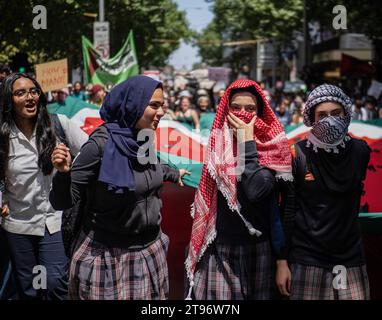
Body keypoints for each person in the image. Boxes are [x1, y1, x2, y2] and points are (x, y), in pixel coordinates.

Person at [49, 75, 190, 300]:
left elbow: (150, 168)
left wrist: (174, 173)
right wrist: (64, 175)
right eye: (154, 105)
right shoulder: (99, 145)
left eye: (162, 105)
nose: (162, 112)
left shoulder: (143, 138)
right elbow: (62, 201)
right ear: (133, 104)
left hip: (150, 254)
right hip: (107, 260)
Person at [185, 79, 293, 300]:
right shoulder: (218, 147)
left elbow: (257, 190)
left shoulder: (273, 148)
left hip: (260, 250)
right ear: (226, 109)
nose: (242, 113)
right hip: (220, 250)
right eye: (236, 108)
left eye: (250, 109)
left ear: (260, 112)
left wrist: (246, 141)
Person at [276, 84, 371, 300]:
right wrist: (282, 261)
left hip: (350, 258)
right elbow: (288, 209)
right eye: (322, 115)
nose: (330, 120)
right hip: (307, 258)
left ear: (346, 114)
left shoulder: (361, 151)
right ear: (311, 119)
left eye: (336, 114)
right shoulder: (297, 153)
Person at [0, 73, 87, 300]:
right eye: (20, 93)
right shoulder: (3, 136)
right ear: (9, 100)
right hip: (18, 226)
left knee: (55, 283)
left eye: (33, 91)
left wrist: (69, 169)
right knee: (29, 290)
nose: (29, 97)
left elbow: (92, 153)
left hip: (53, 222)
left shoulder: (59, 125)